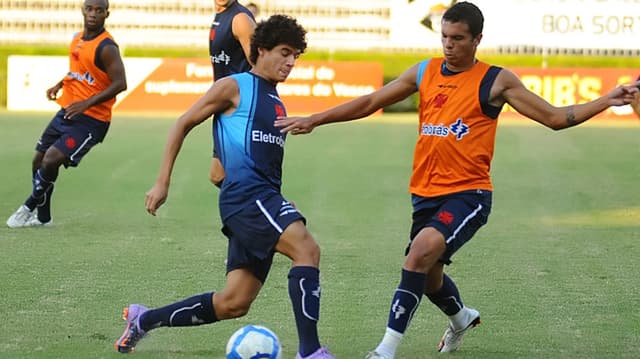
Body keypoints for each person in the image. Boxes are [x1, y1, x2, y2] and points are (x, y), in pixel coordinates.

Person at [274, 2, 640, 358]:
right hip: (424, 194)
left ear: (477, 39)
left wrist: (607, 100)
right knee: (430, 277)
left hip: (469, 194)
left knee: (417, 256)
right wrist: (317, 119)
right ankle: (461, 318)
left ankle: (385, 350)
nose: (449, 45)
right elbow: (371, 101)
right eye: (445, 37)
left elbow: (557, 117)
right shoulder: (425, 71)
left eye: (458, 38)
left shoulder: (496, 81)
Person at [115, 15, 335, 359]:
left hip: (258, 200)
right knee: (308, 250)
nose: (291, 62)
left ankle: (145, 319)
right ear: (261, 50)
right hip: (248, 198)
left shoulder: (276, 100)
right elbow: (182, 123)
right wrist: (162, 182)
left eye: (295, 55)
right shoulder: (234, 86)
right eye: (284, 52)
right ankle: (310, 352)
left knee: (233, 303)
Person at [5, 0, 126, 228]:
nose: (93, 14)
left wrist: (87, 104)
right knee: (38, 160)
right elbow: (78, 71)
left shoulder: (107, 47)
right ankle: (43, 218)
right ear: (83, 10)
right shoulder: (76, 39)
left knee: (51, 160)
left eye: (99, 10)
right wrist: (59, 84)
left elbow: (121, 83)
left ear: (106, 14)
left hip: (92, 120)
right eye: (89, 9)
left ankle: (29, 206)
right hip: (68, 111)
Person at [209, 0, 256, 187]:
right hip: (224, 107)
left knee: (242, 174)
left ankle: (278, 209)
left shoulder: (240, 19)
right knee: (218, 175)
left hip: (239, 109)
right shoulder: (221, 15)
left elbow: (261, 66)